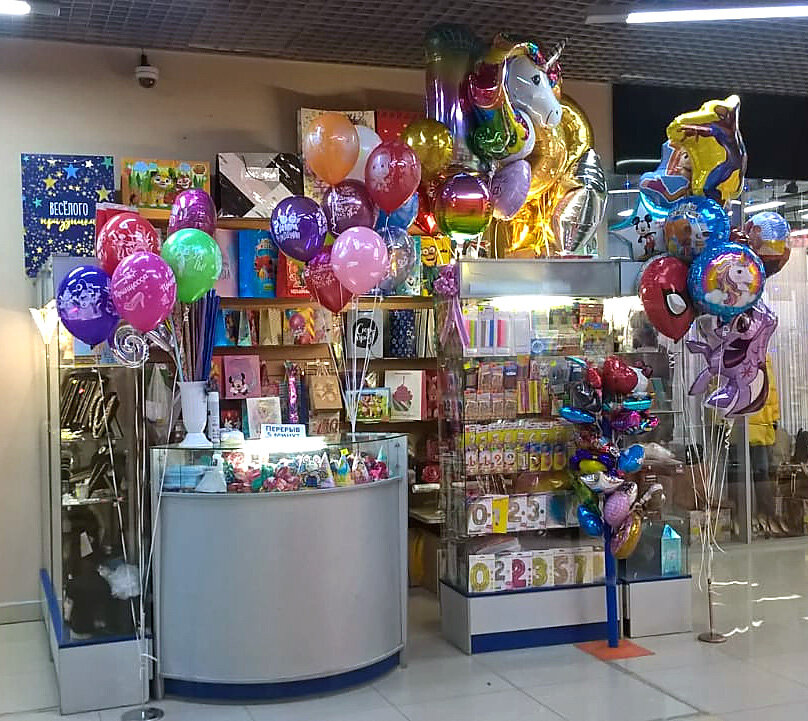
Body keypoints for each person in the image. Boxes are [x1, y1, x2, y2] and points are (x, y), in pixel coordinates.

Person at [748, 356, 781, 536]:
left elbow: (771, 391)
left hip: (760, 425)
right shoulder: (730, 352)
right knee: (740, 476)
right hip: (742, 426)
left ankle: (764, 516)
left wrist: (774, 418)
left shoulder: (764, 356)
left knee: (761, 474)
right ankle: (747, 518)